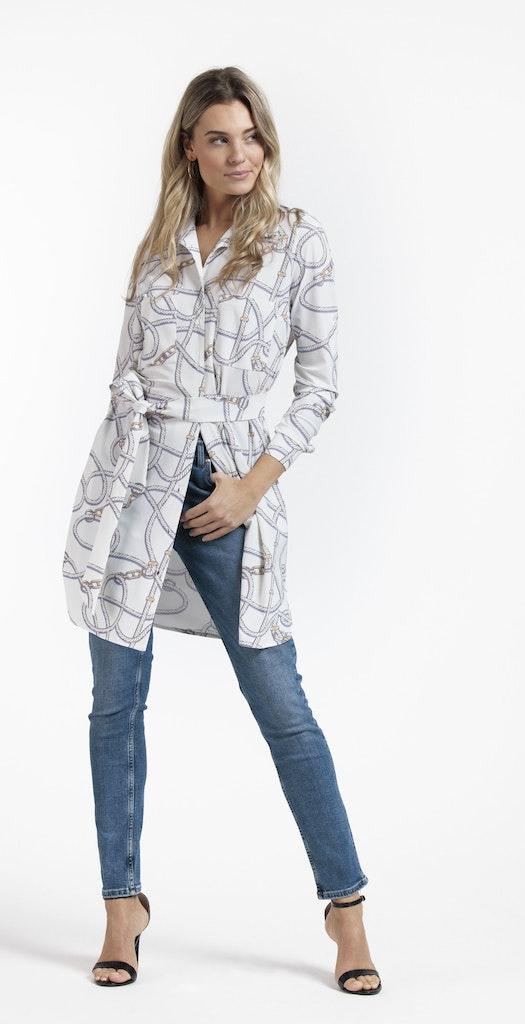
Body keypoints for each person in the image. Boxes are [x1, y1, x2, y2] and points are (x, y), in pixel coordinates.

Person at [63, 66, 381, 995]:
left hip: (227, 482)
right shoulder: (159, 244)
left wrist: (248, 489)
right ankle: (122, 907)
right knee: (115, 704)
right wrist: (109, 494)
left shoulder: (296, 242)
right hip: (136, 480)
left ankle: (346, 910)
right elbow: (125, 372)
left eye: (250, 136)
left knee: (280, 702)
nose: (239, 154)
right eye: (218, 138)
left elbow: (319, 386)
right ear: (190, 149)